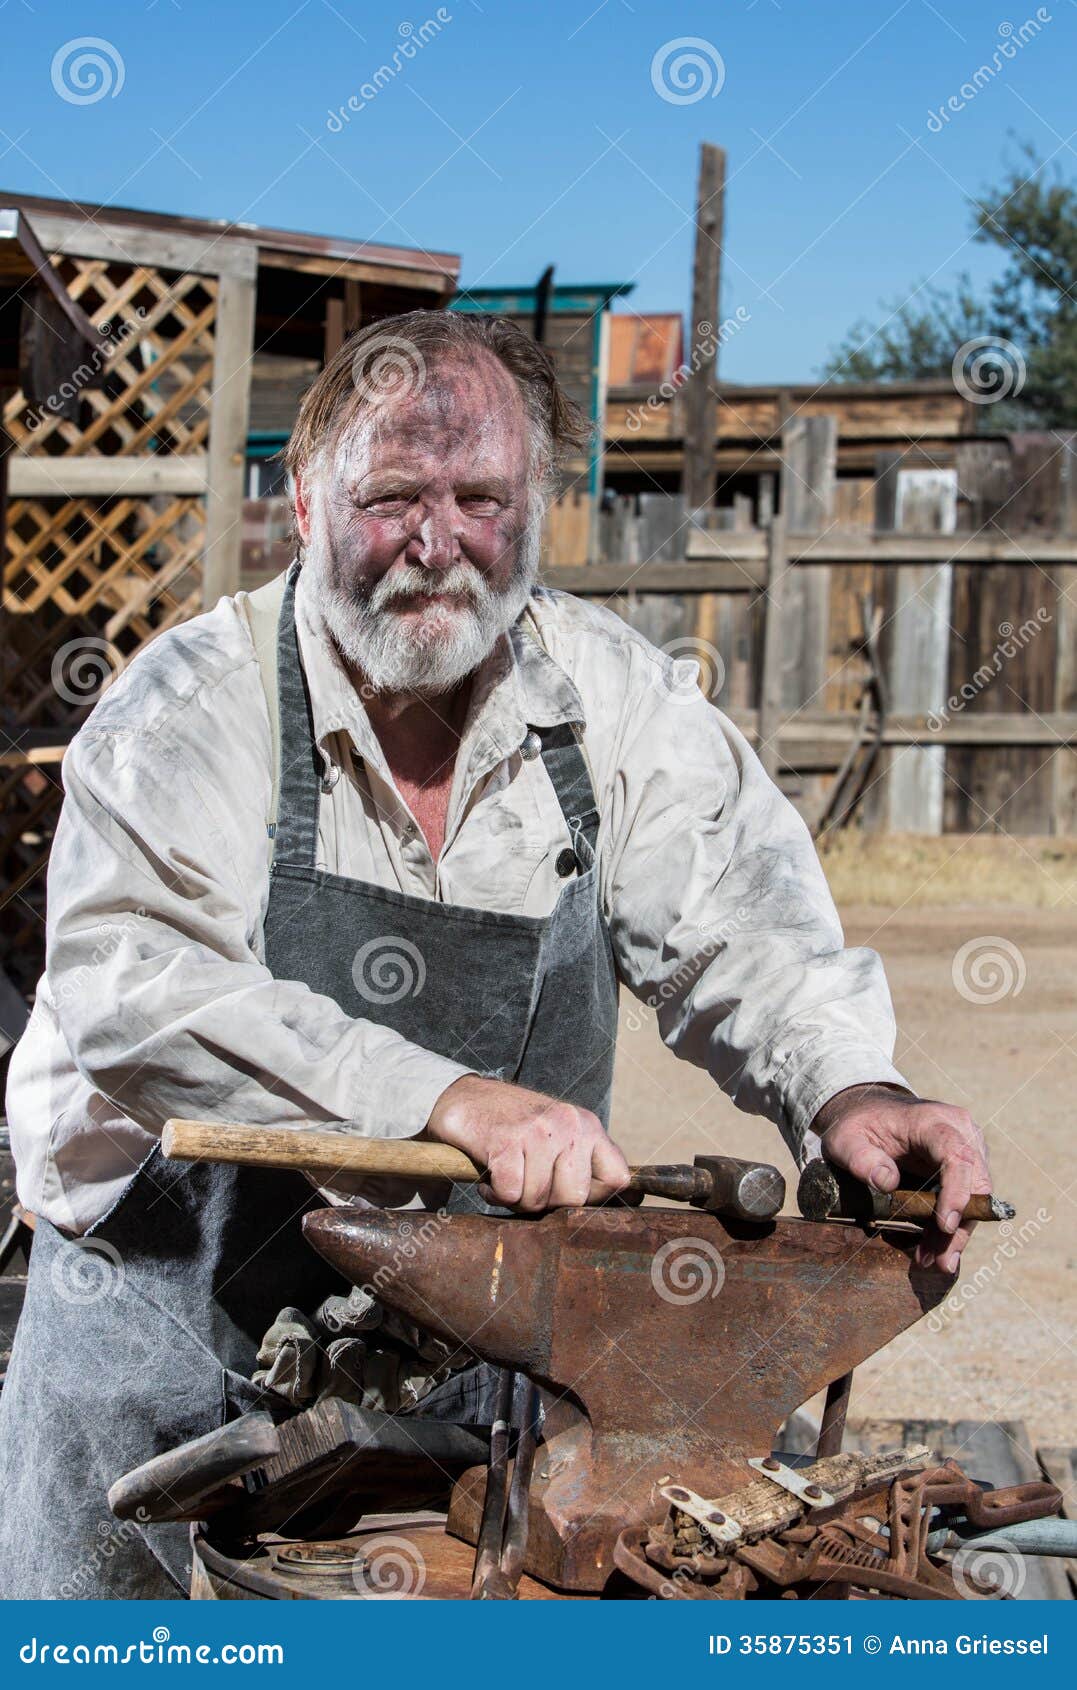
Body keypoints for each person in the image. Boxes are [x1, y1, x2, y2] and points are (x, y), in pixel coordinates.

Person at [0, 311, 990, 1597]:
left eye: (481, 497)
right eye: (392, 495)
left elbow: (742, 924)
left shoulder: (610, 704)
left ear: (539, 507)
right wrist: (444, 1097)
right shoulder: (191, 709)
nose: (436, 542)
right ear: (302, 502)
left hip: (466, 1346)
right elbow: (135, 984)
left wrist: (852, 1089)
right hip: (160, 1326)